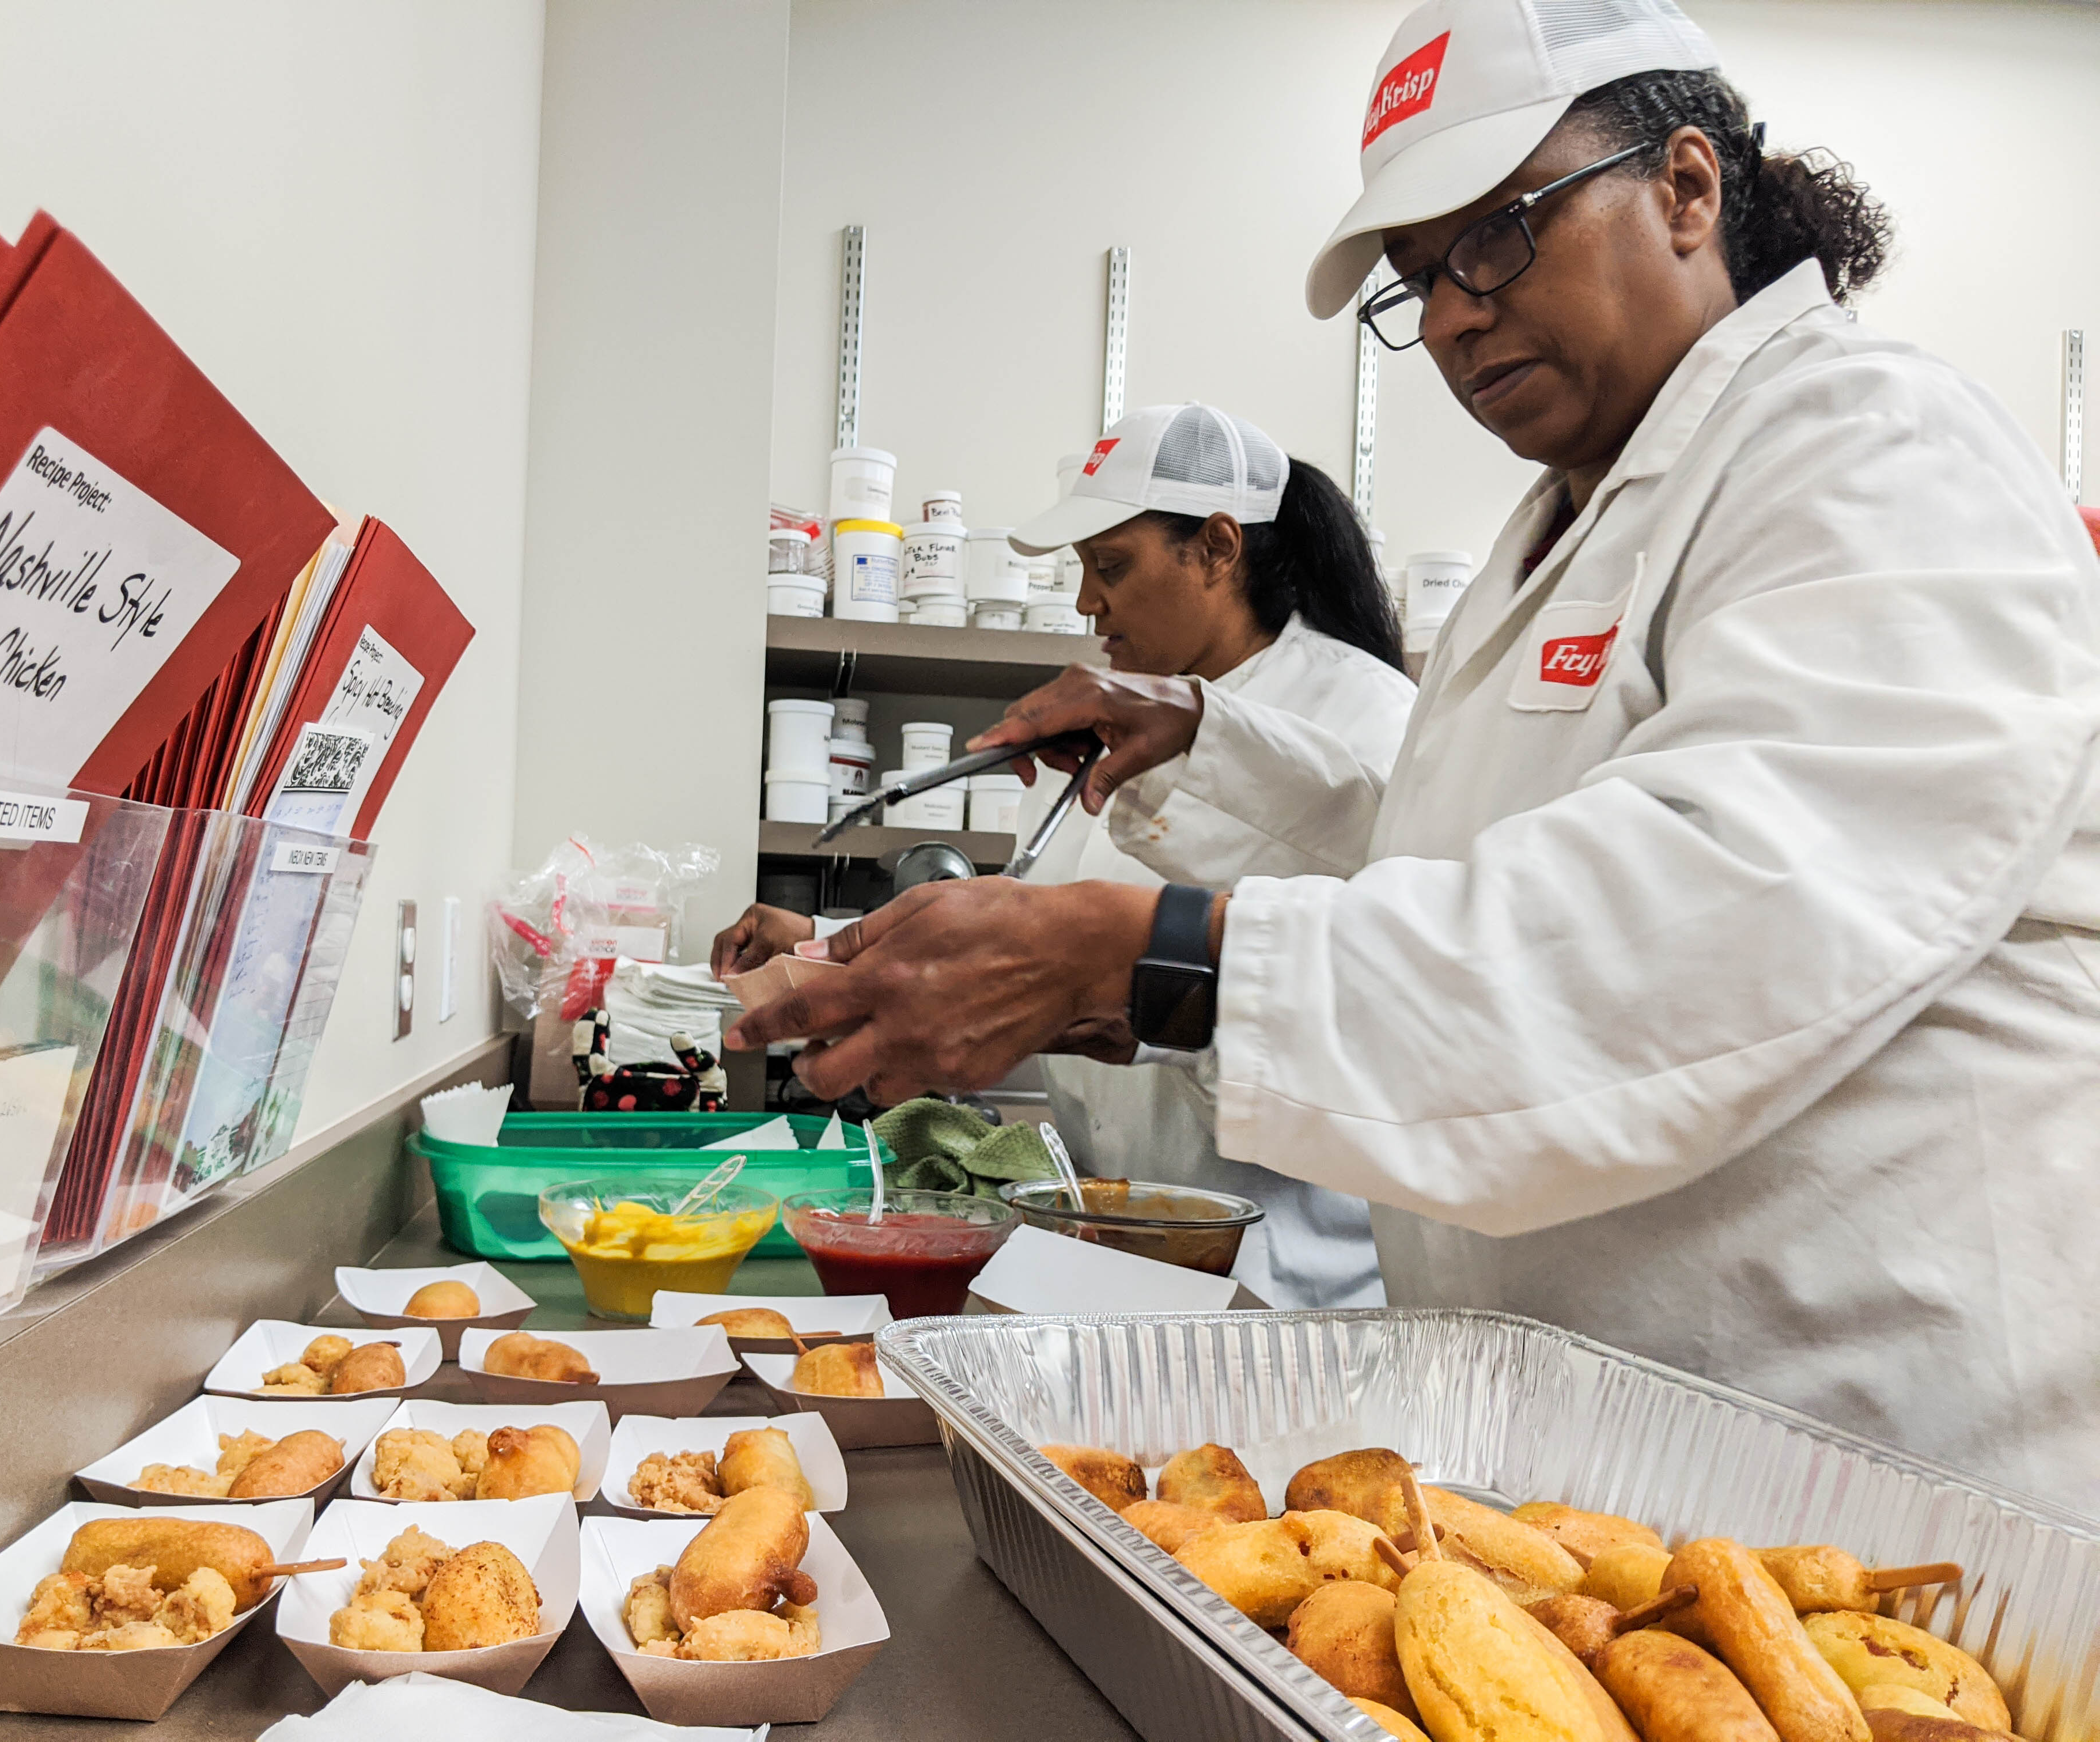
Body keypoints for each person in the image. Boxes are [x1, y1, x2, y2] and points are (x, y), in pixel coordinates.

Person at [731, 0, 2100, 1512]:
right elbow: (1440, 877)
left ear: (1690, 188)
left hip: (1876, 1471)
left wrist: (1153, 961)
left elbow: (1702, 931)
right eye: (1417, 279)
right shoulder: (1570, 524)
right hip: (1608, 1466)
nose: (1451, 315)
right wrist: (1199, 749)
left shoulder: (1873, 453)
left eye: (1498, 238)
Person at [716, 403, 1415, 1309]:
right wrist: (830, 944)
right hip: (1108, 1247)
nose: (1088, 602)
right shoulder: (1110, 733)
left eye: (1112, 567)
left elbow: (1383, 1013)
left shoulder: (1371, 721)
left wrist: (1132, 996)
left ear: (1215, 547)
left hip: (1286, 1282)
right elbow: (1018, 945)